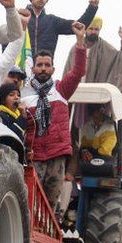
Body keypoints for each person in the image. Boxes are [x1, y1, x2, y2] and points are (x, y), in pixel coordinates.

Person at [21, 23, 87, 210]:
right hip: (33, 156)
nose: (43, 68)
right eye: (39, 65)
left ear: (53, 69)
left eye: (47, 65)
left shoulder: (61, 89)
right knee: (31, 203)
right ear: (32, 69)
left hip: (56, 156)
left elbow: (78, 71)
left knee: (50, 205)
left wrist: (80, 41)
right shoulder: (24, 93)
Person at [63, 16, 122, 91]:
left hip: (98, 96)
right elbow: (68, 72)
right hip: (76, 94)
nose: (93, 32)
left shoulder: (106, 49)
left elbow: (121, 61)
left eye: (96, 29)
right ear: (85, 29)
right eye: (91, 29)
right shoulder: (75, 49)